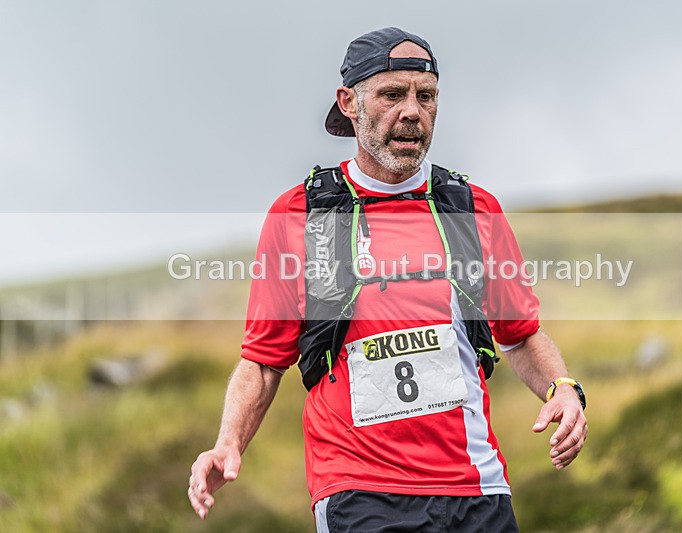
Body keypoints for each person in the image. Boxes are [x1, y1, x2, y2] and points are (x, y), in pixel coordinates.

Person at [188, 27, 587, 532]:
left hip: (477, 489)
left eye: (426, 96)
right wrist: (229, 443)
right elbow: (264, 363)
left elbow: (521, 335)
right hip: (360, 491)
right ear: (349, 102)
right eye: (392, 95)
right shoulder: (299, 214)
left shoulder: (473, 208)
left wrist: (564, 388)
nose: (413, 112)